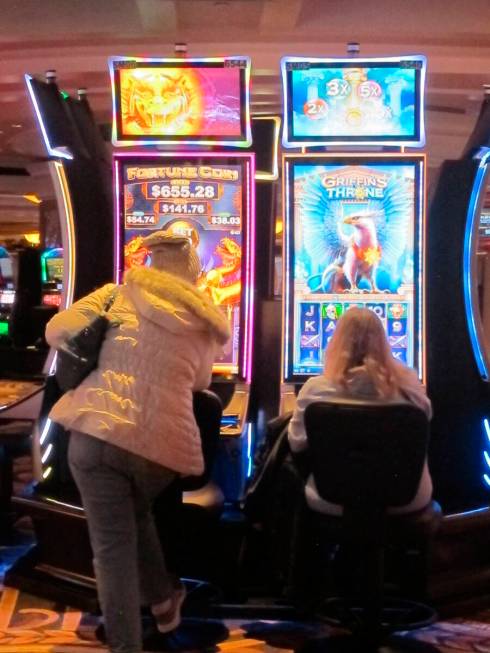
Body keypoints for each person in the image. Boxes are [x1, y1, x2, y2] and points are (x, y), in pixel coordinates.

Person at [45, 231, 230, 653]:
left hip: (96, 432)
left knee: (112, 550)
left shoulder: (116, 295)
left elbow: (57, 330)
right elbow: (201, 383)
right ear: (193, 272)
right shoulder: (206, 320)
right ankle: (164, 603)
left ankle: (126, 645)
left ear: (148, 262)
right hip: (161, 450)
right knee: (136, 515)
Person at [288, 306, 432, 516]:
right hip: (406, 499)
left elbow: (297, 445)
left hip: (333, 498)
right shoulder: (410, 390)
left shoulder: (315, 390)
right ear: (384, 343)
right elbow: (424, 428)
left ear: (336, 342)